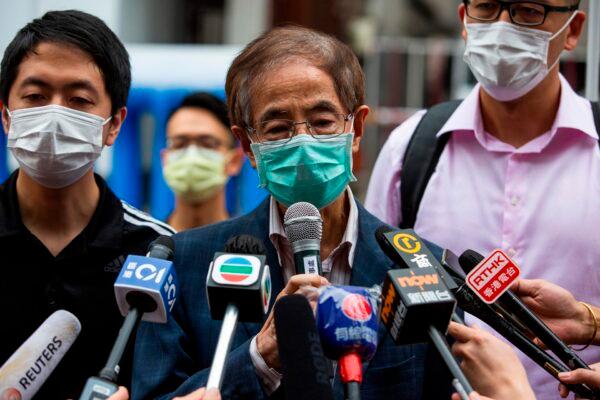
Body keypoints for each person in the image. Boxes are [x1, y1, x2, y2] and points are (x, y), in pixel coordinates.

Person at [132, 26, 454, 399]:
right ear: (248, 148)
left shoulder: (422, 268)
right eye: (278, 129)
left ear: (357, 128)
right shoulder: (183, 264)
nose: (303, 142)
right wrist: (260, 356)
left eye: (322, 122)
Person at [365, 1, 598, 397]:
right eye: (487, 8)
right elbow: (370, 295)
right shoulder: (412, 148)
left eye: (528, 11)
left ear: (573, 30)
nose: (502, 28)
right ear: (463, 20)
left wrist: (589, 324)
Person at [0, 10, 175, 398]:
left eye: (78, 99)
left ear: (113, 124)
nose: (55, 113)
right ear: (6, 115)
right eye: (35, 96)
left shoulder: (157, 252)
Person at [162, 92, 244, 231]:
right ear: (165, 159)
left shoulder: (248, 249)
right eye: (179, 144)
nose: (192, 154)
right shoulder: (144, 247)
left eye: (207, 144)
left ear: (234, 161)